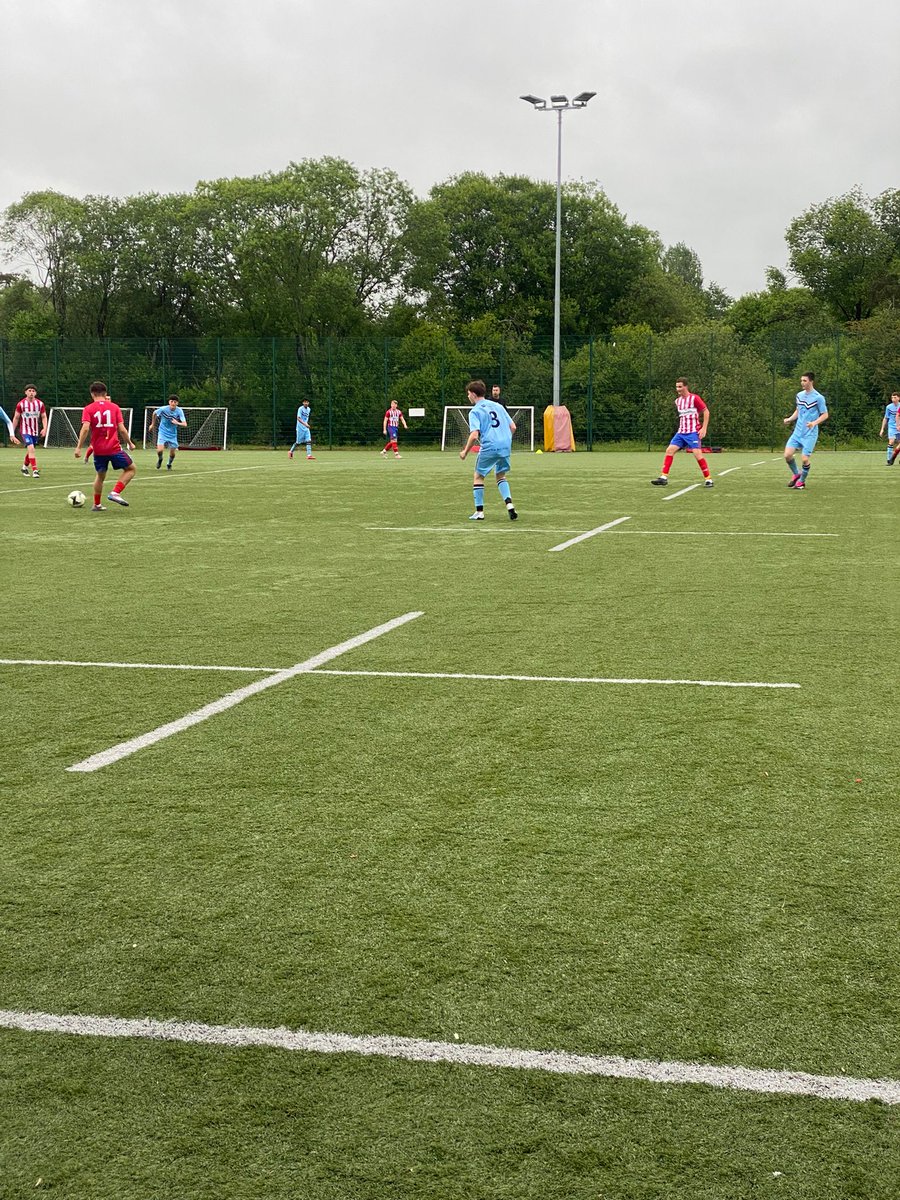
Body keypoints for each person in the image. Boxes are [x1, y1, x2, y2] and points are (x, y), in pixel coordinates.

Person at [459, 379, 518, 521]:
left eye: (468, 393)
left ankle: (479, 512)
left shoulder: (475, 411)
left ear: (473, 394)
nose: (468, 396)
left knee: (478, 476)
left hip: (490, 446)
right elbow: (513, 427)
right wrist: (504, 439)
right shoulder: (498, 406)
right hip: (505, 445)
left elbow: (474, 435)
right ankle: (509, 505)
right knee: (501, 476)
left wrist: (465, 452)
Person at [74, 380, 136, 511]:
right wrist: (130, 443)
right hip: (113, 448)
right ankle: (115, 492)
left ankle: (97, 504)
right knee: (131, 469)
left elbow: (85, 429)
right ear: (105, 393)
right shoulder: (114, 407)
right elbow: (122, 429)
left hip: (98, 450)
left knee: (100, 475)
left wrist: (79, 447)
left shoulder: (88, 409)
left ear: (92, 394)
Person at [651, 378, 714, 487]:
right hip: (681, 433)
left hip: (693, 432)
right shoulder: (677, 401)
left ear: (686, 386)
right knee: (669, 450)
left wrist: (704, 428)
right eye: (677, 387)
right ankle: (663, 477)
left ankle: (709, 480)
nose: (678, 389)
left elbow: (706, 411)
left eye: (680, 387)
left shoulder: (694, 398)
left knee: (697, 454)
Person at [783, 372, 828, 490]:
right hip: (798, 432)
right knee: (787, 455)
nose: (802, 383)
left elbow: (825, 415)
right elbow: (798, 410)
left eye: (805, 380)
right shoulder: (799, 395)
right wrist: (790, 419)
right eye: (801, 380)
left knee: (804, 459)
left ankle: (801, 481)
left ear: (811, 381)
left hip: (810, 434)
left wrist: (814, 423)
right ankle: (796, 474)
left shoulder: (818, 398)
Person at [12, 385, 48, 478]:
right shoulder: (21, 404)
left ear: (35, 393)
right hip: (25, 430)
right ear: (25, 392)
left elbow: (44, 416)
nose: (31, 392)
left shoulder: (40, 404)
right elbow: (16, 418)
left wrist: (45, 428)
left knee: (31, 450)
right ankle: (35, 470)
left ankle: (24, 467)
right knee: (31, 448)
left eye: (33, 391)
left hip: (35, 431)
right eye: (29, 390)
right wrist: (12, 432)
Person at [149, 394, 188, 470]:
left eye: (175, 402)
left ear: (177, 403)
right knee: (160, 450)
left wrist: (177, 423)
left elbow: (185, 424)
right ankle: (160, 459)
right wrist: (152, 424)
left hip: (172, 434)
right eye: (171, 401)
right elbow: (154, 413)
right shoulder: (163, 409)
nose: (173, 403)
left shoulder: (179, 411)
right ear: (169, 402)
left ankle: (169, 464)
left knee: (172, 453)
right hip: (162, 432)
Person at [879, 392, 900, 466]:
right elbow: (885, 418)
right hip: (892, 427)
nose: (893, 399)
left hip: (899, 427)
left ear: (898, 398)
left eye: (895, 397)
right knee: (891, 441)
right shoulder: (889, 407)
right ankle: (889, 460)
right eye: (892, 398)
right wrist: (882, 429)